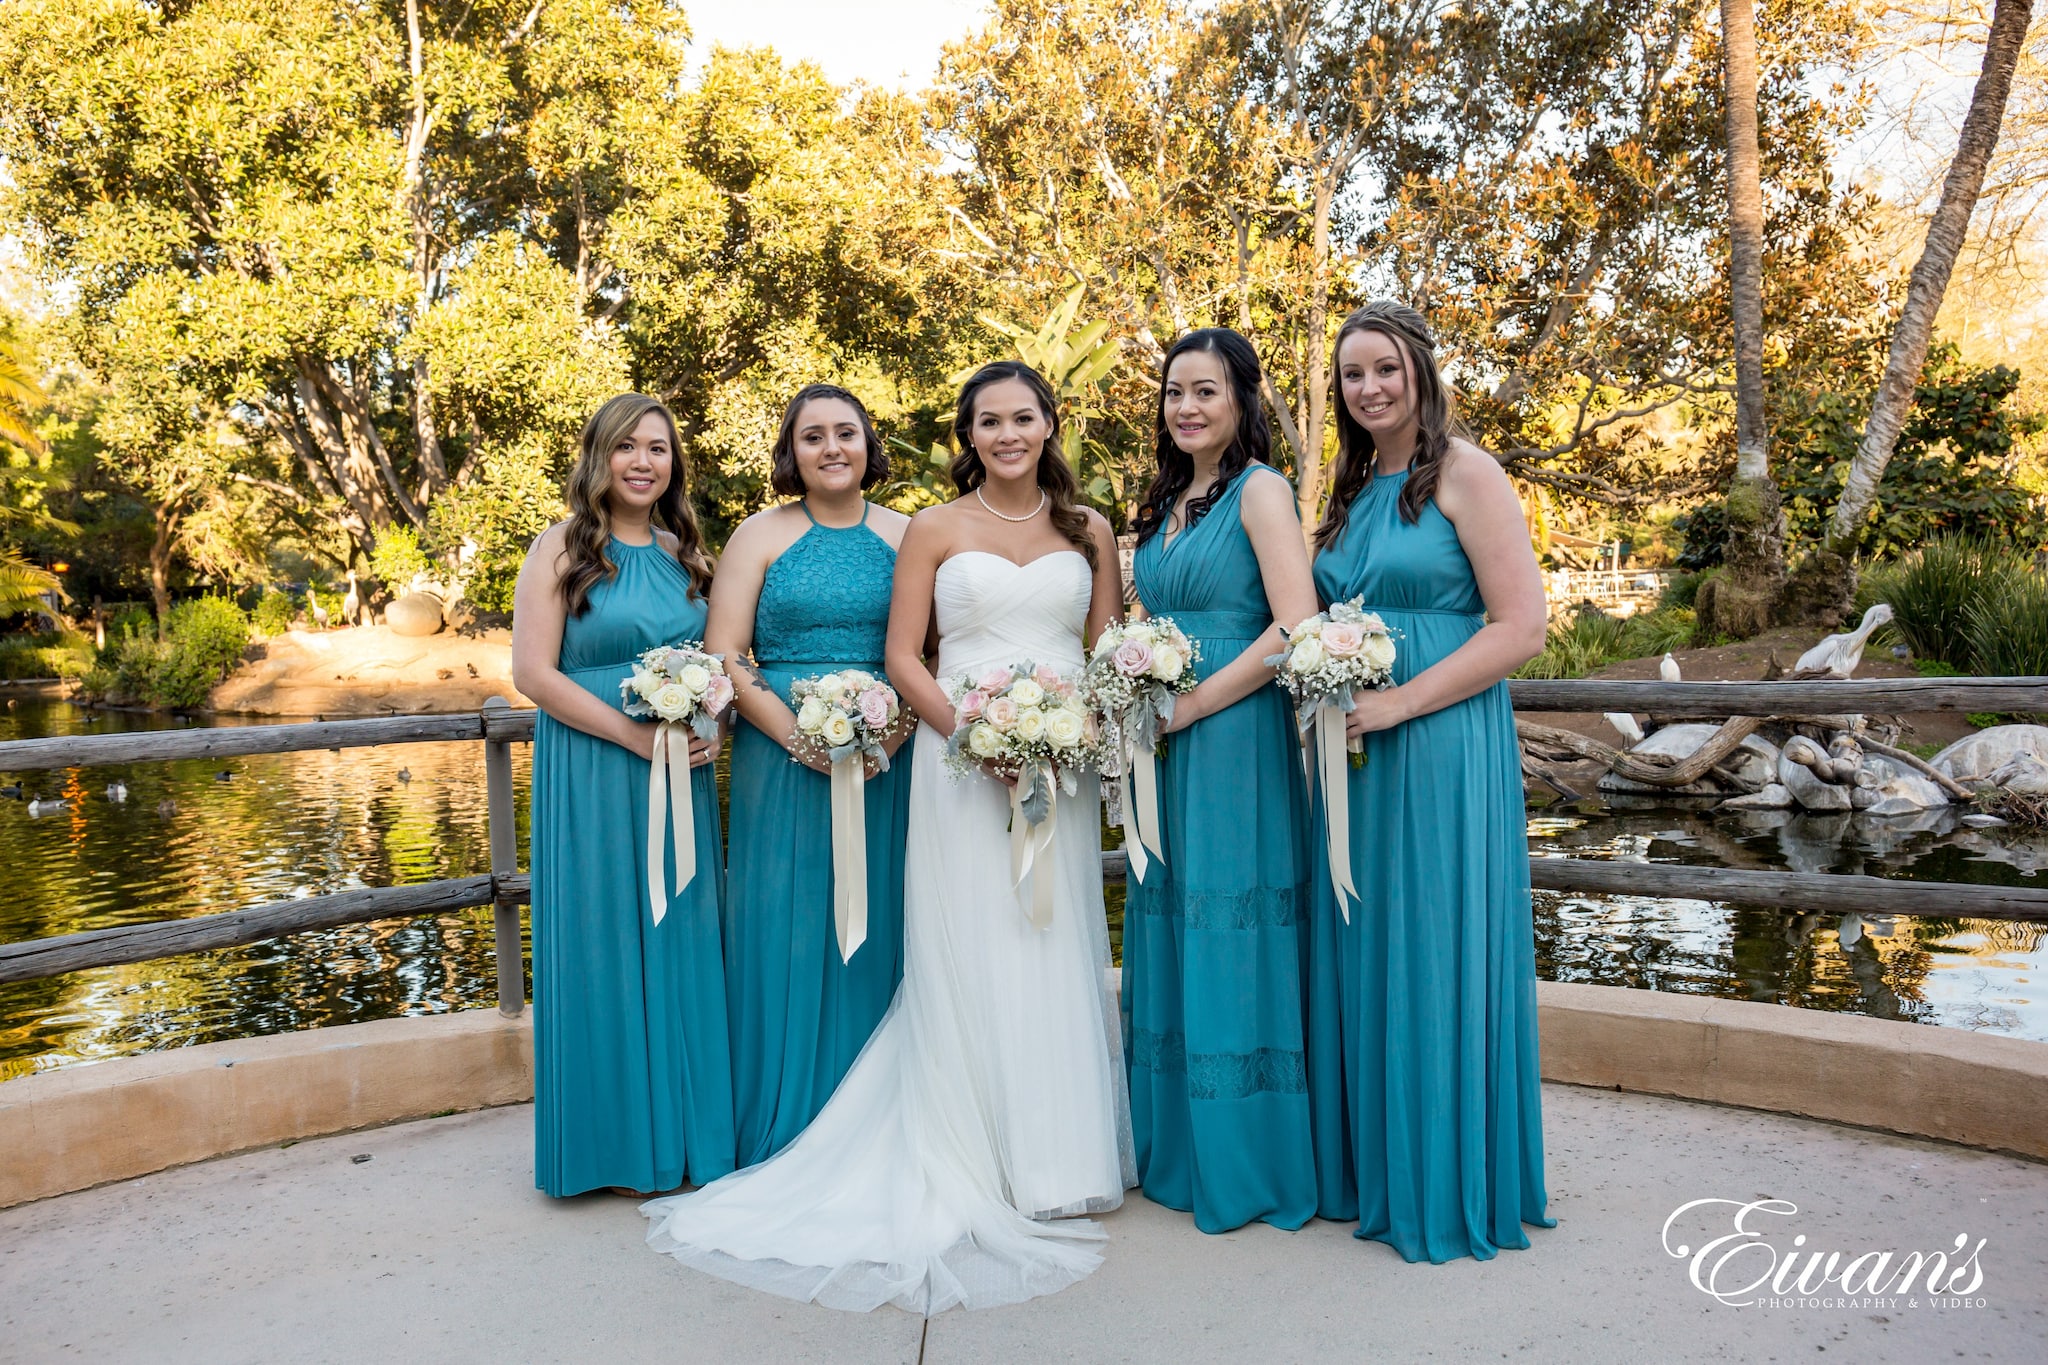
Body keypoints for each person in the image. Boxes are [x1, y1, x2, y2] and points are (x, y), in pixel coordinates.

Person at [641, 361, 1135, 1312]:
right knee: (965, 945)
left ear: (1048, 424)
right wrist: (975, 735)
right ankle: (961, 1146)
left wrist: (1069, 734)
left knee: (1056, 937)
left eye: (1023, 417)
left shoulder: (1089, 531)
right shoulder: (932, 529)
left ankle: (1056, 1154)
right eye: (987, 419)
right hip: (958, 758)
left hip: (1054, 766)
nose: (1006, 433)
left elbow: (1104, 652)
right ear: (966, 433)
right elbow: (909, 654)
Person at [1304, 300, 1553, 1262]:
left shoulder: (1468, 473)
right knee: (1365, 942)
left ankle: (1443, 1178)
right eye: (1353, 374)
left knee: (1431, 943)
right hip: (1352, 748)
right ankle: (1374, 1166)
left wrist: (1401, 703)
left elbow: (1519, 628)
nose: (1368, 388)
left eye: (1384, 370)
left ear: (1421, 371)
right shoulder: (1351, 486)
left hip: (1439, 744)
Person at [511, 392, 733, 1199]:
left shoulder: (688, 553)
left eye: (659, 448)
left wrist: (715, 716)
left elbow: (719, 658)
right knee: (602, 938)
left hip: (682, 770)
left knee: (679, 934)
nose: (644, 461)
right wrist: (634, 736)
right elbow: (533, 674)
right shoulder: (562, 548)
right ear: (598, 455)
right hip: (596, 770)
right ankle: (608, 1145)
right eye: (628, 446)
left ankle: (682, 1136)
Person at [1122, 328, 1320, 1233]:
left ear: (1241, 398)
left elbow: (1293, 628)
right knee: (1170, 914)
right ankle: (1178, 1147)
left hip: (1234, 737)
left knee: (1232, 922)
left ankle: (1249, 1157)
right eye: (1174, 393)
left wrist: (1194, 705)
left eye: (1205, 390)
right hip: (1158, 737)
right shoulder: (1166, 500)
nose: (1187, 407)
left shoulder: (1261, 491)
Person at [707, 384, 914, 1167]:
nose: (832, 448)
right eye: (813, 436)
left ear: (869, 444)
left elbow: (927, 654)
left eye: (846, 433)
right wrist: (801, 738)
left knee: (883, 927)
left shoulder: (908, 533)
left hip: (888, 762)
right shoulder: (757, 535)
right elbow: (726, 653)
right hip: (780, 764)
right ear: (790, 452)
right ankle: (783, 1119)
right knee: (786, 929)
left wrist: (885, 736)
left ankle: (879, 1121)